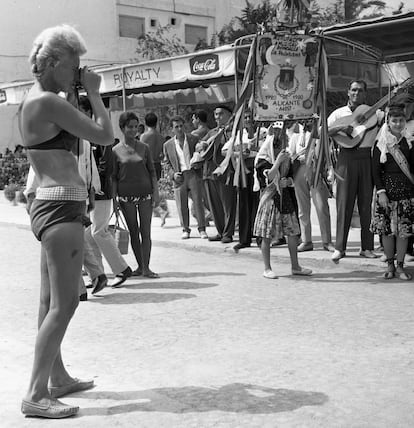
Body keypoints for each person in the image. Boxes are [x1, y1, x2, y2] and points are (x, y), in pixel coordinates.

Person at [19, 25, 114, 418]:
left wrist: (75, 89)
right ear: (55, 62)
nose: (79, 72)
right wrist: (93, 91)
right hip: (61, 208)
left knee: (50, 301)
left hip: (51, 205)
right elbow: (105, 136)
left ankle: (56, 378)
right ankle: (36, 394)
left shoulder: (39, 99)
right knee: (66, 303)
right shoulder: (51, 103)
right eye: (75, 65)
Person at [78, 96, 133, 289]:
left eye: (77, 108)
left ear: (87, 111)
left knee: (99, 231)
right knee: (88, 234)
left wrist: (93, 187)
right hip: (86, 192)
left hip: (100, 191)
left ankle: (122, 269)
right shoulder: (80, 133)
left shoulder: (98, 133)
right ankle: (98, 275)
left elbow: (106, 165)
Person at [328, 80, 380, 262]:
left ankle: (366, 247)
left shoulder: (373, 113)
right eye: (354, 90)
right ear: (348, 92)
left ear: (365, 93)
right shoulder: (338, 113)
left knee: (367, 204)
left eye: (360, 90)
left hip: (366, 157)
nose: (357, 93)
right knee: (344, 204)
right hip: (346, 158)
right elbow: (323, 132)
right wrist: (342, 127)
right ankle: (340, 248)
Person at [253, 124, 312, 279]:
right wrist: (278, 162)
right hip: (270, 200)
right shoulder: (263, 159)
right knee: (266, 234)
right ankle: (267, 268)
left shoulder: (288, 157)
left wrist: (289, 181)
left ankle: (295, 266)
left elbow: (292, 176)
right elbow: (268, 177)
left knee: (292, 232)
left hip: (285, 198)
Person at [112, 111, 160, 278]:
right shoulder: (115, 150)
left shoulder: (144, 147)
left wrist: (156, 192)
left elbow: (152, 172)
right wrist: (114, 200)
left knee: (145, 232)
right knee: (133, 232)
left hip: (145, 195)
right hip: (126, 198)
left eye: (135, 127)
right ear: (122, 128)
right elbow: (114, 177)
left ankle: (146, 268)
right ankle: (140, 266)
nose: (133, 130)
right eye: (129, 127)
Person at [370, 104, 414, 280]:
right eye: (394, 120)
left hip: (405, 191)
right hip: (386, 191)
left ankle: (401, 266)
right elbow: (375, 171)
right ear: (388, 122)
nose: (397, 124)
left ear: (405, 122)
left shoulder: (409, 142)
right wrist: (381, 192)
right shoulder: (381, 143)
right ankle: (390, 265)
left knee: (403, 232)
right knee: (387, 231)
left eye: (401, 120)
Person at [287, 121, 334, 252]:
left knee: (321, 206)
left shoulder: (319, 132)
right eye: (304, 119)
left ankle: (327, 241)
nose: (306, 122)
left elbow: (324, 150)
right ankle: (306, 240)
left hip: (314, 170)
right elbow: (291, 152)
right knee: (302, 208)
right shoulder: (295, 134)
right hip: (299, 170)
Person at [163, 115, 208, 239]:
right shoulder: (168, 145)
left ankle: (202, 228)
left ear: (184, 126)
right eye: (176, 127)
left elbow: (201, 152)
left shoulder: (193, 139)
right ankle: (185, 229)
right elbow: (166, 163)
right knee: (182, 204)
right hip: (180, 175)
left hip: (193, 173)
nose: (179, 129)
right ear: (172, 129)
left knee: (198, 202)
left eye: (181, 126)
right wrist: (173, 175)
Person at [197, 105, 237, 243]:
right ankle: (220, 231)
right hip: (209, 172)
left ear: (229, 116)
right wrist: (201, 145)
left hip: (225, 173)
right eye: (215, 114)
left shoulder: (233, 132)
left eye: (220, 114)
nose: (217, 117)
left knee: (228, 204)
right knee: (214, 205)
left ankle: (228, 233)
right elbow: (199, 146)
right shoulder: (212, 132)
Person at [140, 112, 169, 226]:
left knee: (147, 192)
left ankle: (160, 211)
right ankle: (160, 210)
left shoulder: (144, 136)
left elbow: (141, 153)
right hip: (157, 164)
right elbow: (162, 154)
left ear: (145, 122)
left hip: (147, 165)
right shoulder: (161, 137)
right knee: (153, 190)